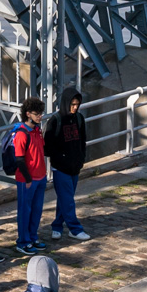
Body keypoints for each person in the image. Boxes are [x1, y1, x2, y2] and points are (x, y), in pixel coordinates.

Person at [44, 87, 91, 242]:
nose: (75, 107)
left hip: (75, 167)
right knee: (67, 200)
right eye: (72, 104)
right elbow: (48, 147)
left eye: (77, 104)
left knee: (66, 199)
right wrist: (61, 158)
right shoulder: (55, 121)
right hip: (61, 168)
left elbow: (82, 141)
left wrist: (81, 159)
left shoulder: (79, 119)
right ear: (66, 102)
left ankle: (57, 225)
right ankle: (75, 229)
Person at [6, 97, 50, 254]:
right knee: (25, 211)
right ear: (28, 114)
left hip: (40, 176)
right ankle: (23, 241)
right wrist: (28, 178)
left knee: (37, 209)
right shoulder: (22, 133)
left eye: (41, 113)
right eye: (37, 113)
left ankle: (32, 237)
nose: (40, 116)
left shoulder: (37, 130)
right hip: (27, 179)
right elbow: (19, 159)